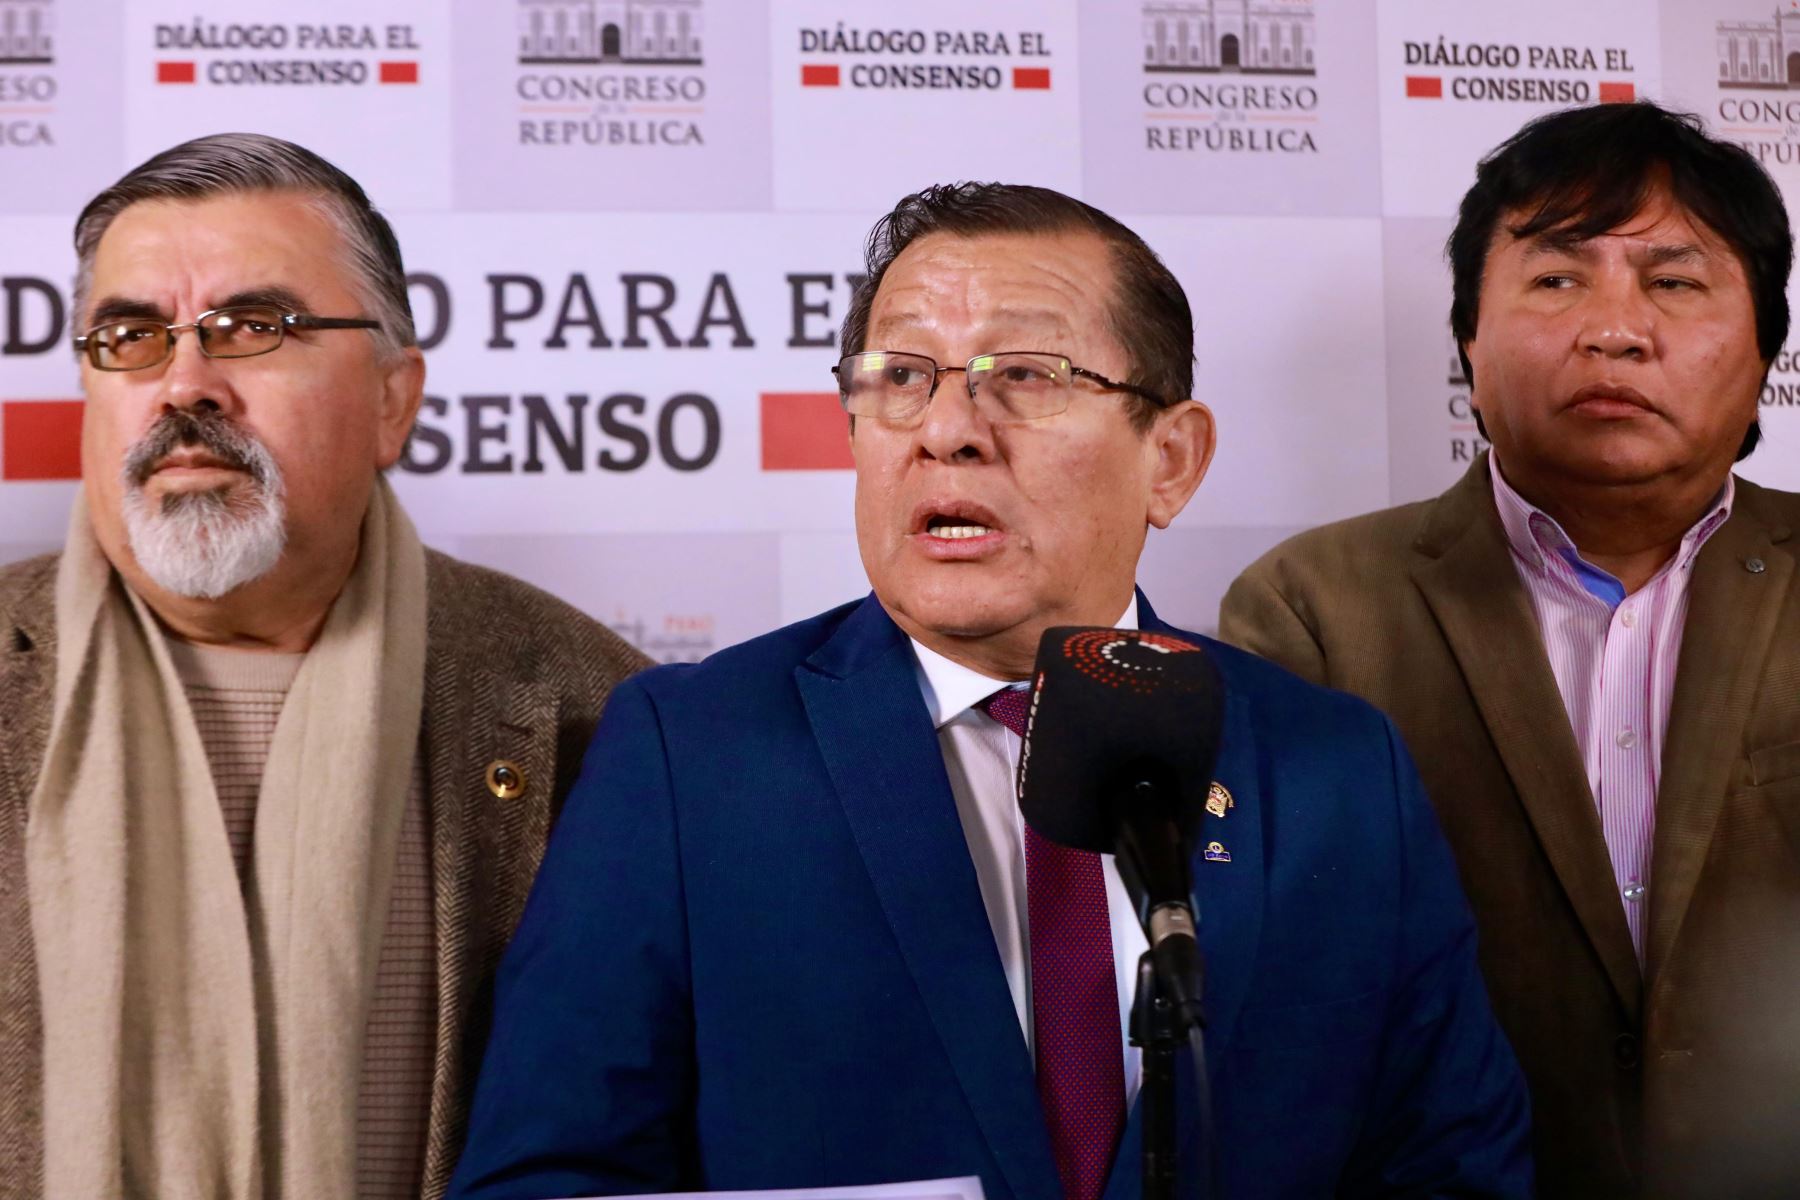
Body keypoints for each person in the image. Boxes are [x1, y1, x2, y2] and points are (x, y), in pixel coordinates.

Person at [449, 183, 1531, 1199]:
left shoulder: (1335, 769)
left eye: (1027, 374)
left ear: (1172, 459)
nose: (947, 429)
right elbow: (551, 1174)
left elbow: (1452, 1164)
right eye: (901, 377)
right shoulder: (691, 757)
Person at [0, 133, 648, 1200]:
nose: (183, 385)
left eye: (254, 328)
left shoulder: (594, 708)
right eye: (131, 335)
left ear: (395, 399)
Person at [1220, 102, 1800, 1198]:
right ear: (1469, 344)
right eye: (1557, 278)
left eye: (1673, 282)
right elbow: (1285, 1000)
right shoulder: (1311, 612)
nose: (1614, 329)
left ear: (1767, 348)